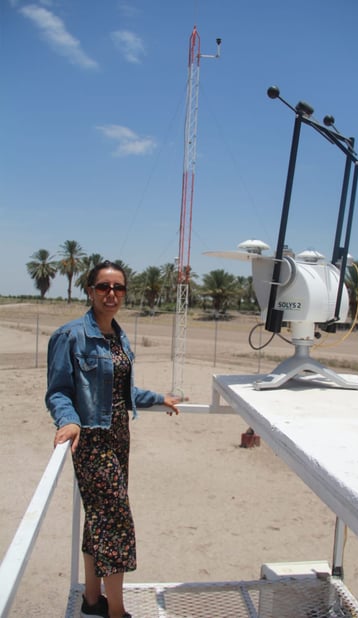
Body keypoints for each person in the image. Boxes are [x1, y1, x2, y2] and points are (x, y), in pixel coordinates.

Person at [46, 260, 180, 618]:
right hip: (92, 442)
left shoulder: (118, 335)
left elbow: (123, 390)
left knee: (99, 520)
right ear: (90, 291)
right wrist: (69, 420)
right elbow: (58, 392)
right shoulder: (70, 335)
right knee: (117, 522)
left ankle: (93, 601)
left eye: (118, 287)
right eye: (103, 286)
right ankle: (117, 613)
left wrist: (157, 398)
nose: (111, 294)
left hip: (120, 438)